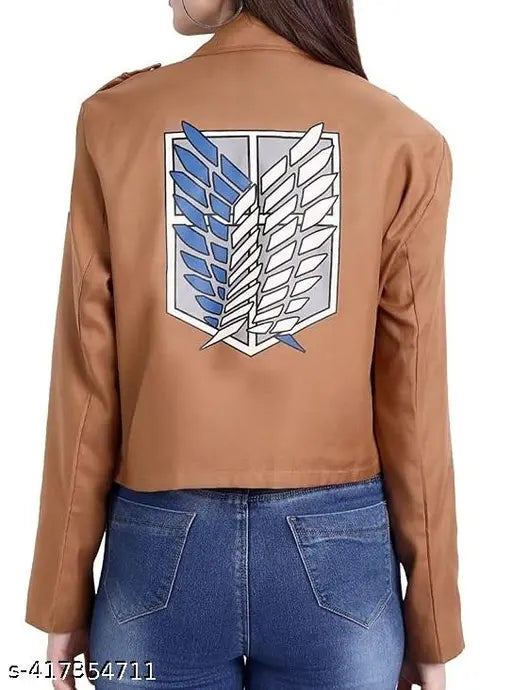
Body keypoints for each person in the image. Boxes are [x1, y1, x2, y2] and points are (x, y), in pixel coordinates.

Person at [26, 1, 464, 688]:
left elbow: (85, 386)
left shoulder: (116, 120)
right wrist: (435, 620)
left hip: (157, 549)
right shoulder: (401, 136)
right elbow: (413, 398)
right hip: (339, 557)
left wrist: (62, 592)